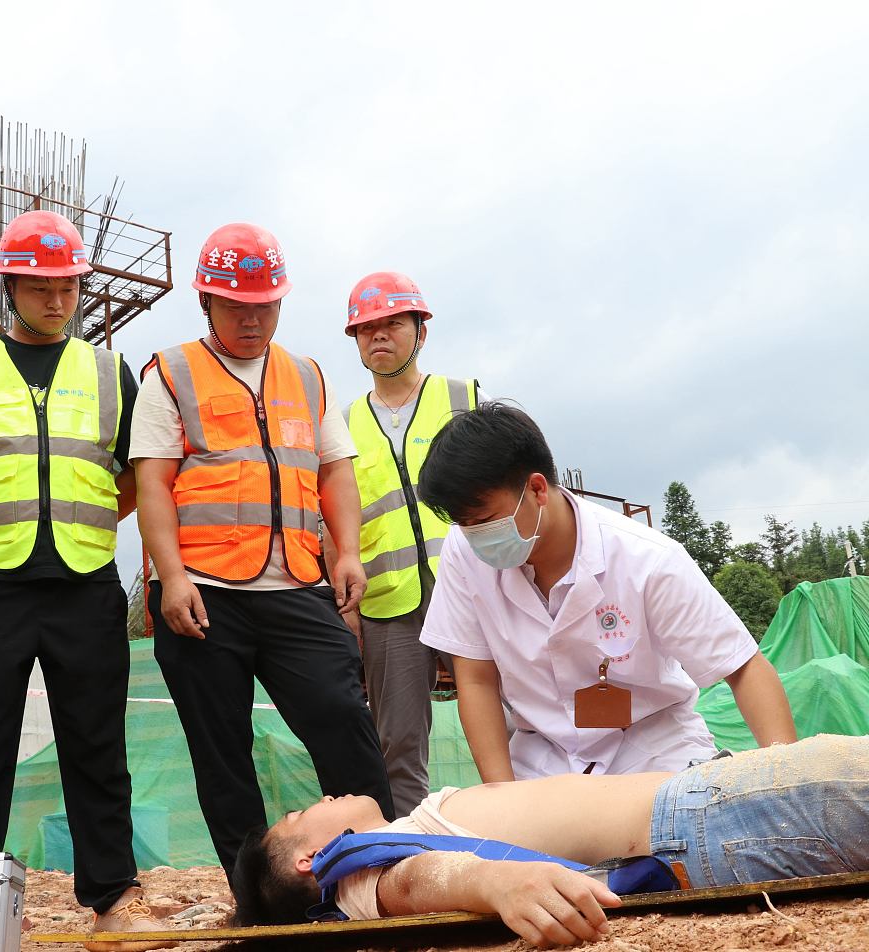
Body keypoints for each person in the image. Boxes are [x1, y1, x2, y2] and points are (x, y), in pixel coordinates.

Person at [0, 209, 171, 950]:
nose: (57, 300)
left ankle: (111, 898)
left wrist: (92, 520)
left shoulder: (107, 371)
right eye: (40, 286)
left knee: (96, 749)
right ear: (9, 287)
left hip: (85, 583)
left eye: (67, 287)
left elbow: (137, 474)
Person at [132, 222, 394, 881]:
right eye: (237, 306)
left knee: (342, 719)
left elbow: (334, 472)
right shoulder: (171, 373)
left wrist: (347, 554)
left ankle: (379, 870)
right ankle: (260, 901)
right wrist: (170, 578)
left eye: (266, 305)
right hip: (203, 592)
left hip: (296, 585)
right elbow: (153, 485)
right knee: (224, 756)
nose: (253, 319)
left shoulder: (306, 375)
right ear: (206, 304)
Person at [413, 402, 795, 781]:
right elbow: (475, 679)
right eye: (464, 524)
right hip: (543, 759)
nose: (476, 536)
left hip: (653, 751)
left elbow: (743, 668)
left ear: (536, 488)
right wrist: (505, 800)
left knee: (671, 831)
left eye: (485, 520)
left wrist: (788, 786)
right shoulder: (464, 552)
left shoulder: (648, 560)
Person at [231, 733, 869, 947]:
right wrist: (491, 880)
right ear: (311, 859)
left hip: (713, 805)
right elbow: (413, 884)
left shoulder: (401, 834)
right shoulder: (356, 866)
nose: (314, 801)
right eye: (297, 816)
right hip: (708, 818)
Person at [339, 271, 479, 813]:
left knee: (511, 714)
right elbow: (335, 518)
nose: (378, 336)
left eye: (392, 323)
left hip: (473, 589)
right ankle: (414, 848)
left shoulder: (464, 398)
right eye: (366, 328)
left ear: (421, 330)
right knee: (397, 739)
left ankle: (527, 822)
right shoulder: (343, 423)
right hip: (388, 602)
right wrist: (345, 605)